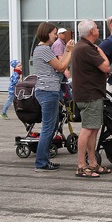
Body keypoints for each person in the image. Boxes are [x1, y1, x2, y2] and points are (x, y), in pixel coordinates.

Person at [31, 22, 74, 172]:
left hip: (47, 91)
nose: (55, 36)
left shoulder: (40, 49)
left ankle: (43, 160)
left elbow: (59, 65)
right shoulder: (44, 50)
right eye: (54, 33)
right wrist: (69, 51)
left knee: (52, 126)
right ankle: (41, 163)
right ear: (47, 33)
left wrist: (67, 51)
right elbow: (61, 67)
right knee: (48, 128)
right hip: (48, 91)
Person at [72, 19, 111, 178]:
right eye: (96, 27)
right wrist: (100, 51)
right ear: (91, 32)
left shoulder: (82, 46)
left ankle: (93, 163)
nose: (98, 29)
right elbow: (105, 67)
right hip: (90, 95)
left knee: (93, 129)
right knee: (87, 129)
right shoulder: (88, 48)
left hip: (90, 93)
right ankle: (81, 165)